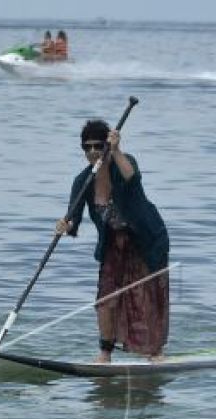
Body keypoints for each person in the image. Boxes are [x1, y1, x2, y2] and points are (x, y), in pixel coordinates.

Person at [55, 119, 170, 363]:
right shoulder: (82, 181)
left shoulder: (123, 163)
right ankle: (105, 352)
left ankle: (155, 352)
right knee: (105, 297)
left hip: (145, 239)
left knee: (143, 294)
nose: (93, 152)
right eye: (87, 147)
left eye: (98, 146)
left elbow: (133, 178)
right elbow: (73, 219)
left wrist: (116, 150)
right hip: (113, 244)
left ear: (107, 145)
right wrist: (66, 226)